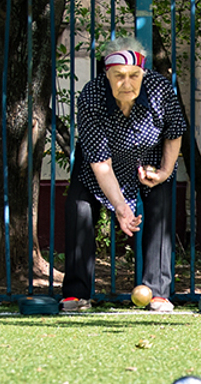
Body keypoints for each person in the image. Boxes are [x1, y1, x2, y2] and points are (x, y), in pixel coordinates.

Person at [61, 38, 187, 312]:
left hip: (150, 161)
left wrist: (164, 172)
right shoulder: (92, 95)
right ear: (106, 74)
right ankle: (76, 294)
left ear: (143, 73)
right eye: (119, 76)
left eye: (133, 75)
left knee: (160, 210)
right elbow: (99, 161)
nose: (126, 83)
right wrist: (120, 206)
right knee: (79, 209)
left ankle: (158, 293)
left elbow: (175, 132)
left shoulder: (161, 89)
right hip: (100, 166)